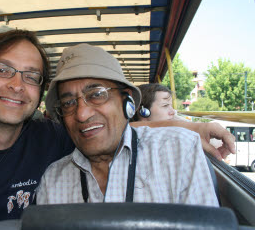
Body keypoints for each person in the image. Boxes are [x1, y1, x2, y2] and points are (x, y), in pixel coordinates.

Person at [0, 30, 234, 229]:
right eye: (2, 69)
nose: (16, 85)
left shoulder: (56, 141)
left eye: (31, 76)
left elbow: (108, 125)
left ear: (38, 94)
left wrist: (187, 126)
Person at [36, 44, 219, 207]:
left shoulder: (179, 151)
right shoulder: (53, 181)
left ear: (127, 100)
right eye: (68, 103)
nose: (82, 114)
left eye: (97, 94)